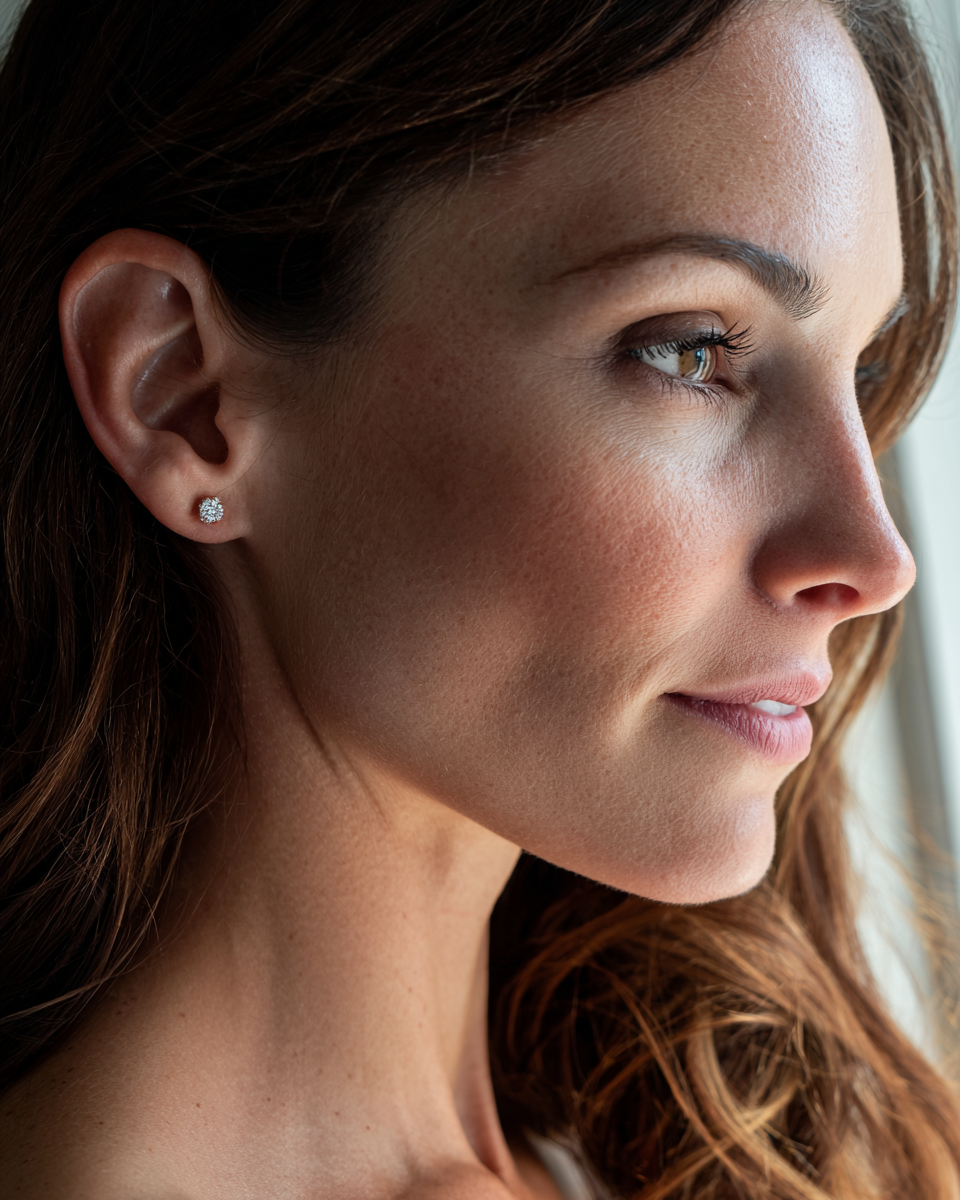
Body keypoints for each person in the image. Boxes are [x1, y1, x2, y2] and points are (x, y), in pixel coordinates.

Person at [1, 0, 958, 1195]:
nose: (873, 555)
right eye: (690, 348)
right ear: (179, 393)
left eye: (863, 369)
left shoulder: (694, 1147)